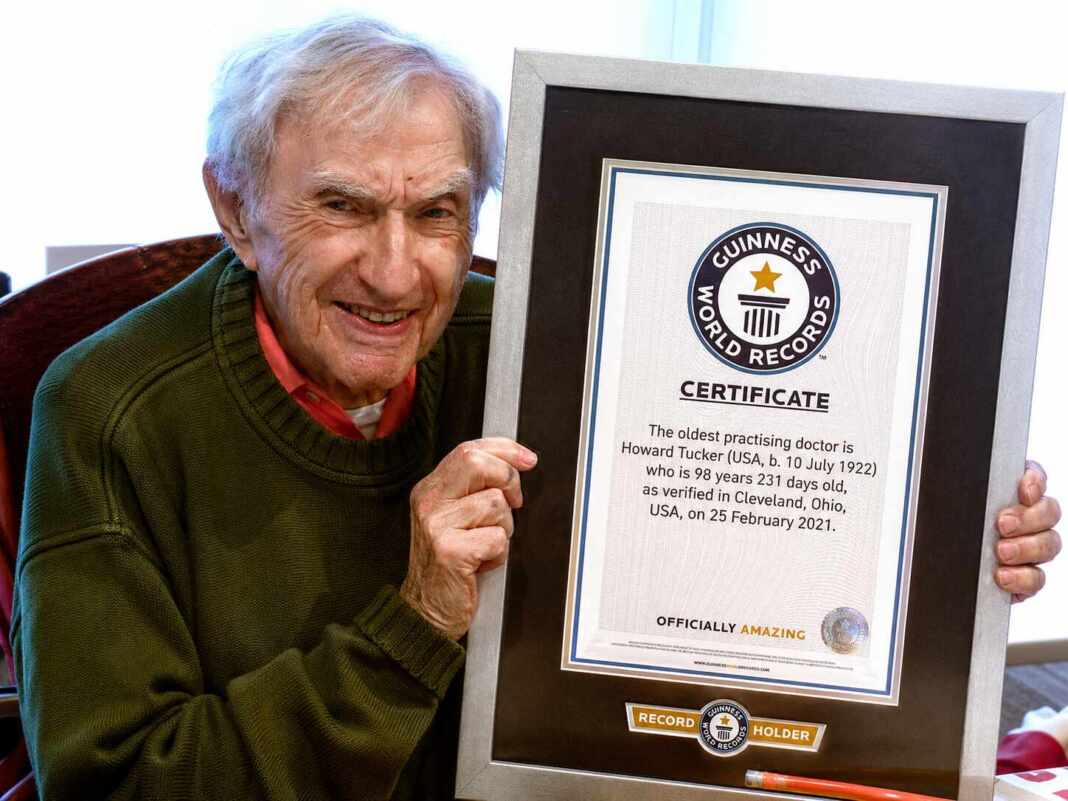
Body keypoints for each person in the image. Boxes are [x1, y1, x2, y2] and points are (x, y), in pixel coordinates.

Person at [11, 15, 1062, 800]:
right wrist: (413, 625)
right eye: (342, 207)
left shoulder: (548, 354)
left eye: (438, 212)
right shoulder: (110, 410)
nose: (395, 271)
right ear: (236, 207)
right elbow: (120, 787)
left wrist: (932, 547)